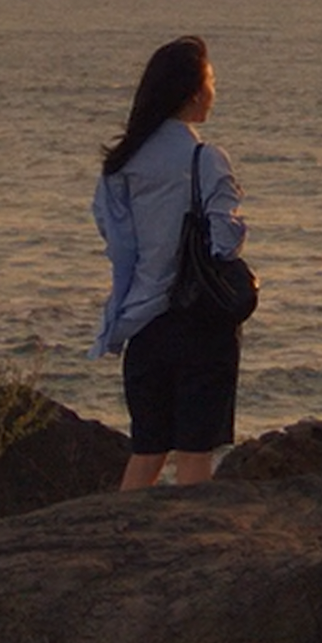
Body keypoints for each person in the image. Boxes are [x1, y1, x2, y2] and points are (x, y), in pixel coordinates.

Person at [91, 34, 245, 488]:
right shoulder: (205, 158)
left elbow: (118, 243)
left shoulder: (122, 162)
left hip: (142, 318)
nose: (214, 92)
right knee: (195, 454)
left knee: (147, 449)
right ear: (195, 92)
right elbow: (224, 242)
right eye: (211, 81)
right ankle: (189, 548)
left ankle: (120, 537)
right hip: (199, 319)